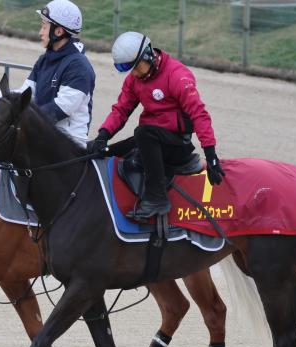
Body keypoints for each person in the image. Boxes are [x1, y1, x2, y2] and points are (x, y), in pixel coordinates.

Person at [90, 31, 224, 221]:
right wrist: (103, 136)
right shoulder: (134, 80)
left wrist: (211, 155)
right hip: (151, 140)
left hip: (177, 144)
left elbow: (199, 114)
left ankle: (157, 198)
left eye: (137, 67)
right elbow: (121, 110)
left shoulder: (177, 75)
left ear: (148, 55)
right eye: (131, 70)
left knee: (143, 133)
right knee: (104, 150)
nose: (134, 74)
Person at [17, 0, 95, 148]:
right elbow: (26, 93)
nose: (40, 32)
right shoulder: (44, 60)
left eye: (44, 27)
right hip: (43, 136)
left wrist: (24, 117)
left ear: (58, 31)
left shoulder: (80, 66)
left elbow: (61, 109)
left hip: (69, 147)